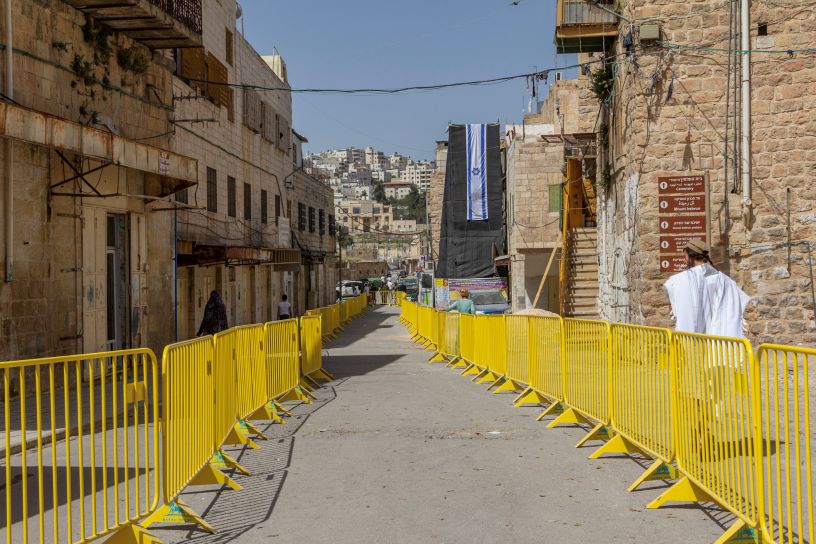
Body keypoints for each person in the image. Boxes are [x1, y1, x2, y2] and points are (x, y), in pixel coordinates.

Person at [663, 239, 751, 337]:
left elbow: (672, 307)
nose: (684, 260)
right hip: (720, 343)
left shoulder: (678, 280)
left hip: (693, 342)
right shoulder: (726, 281)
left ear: (689, 256)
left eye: (685, 256)